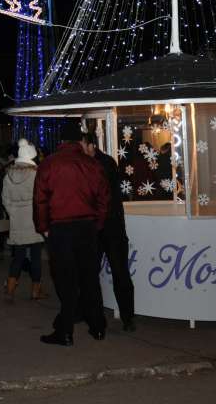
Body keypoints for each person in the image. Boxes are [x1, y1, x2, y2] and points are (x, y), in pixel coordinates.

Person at [33, 125, 110, 347]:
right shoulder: (92, 164)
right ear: (79, 141)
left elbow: (40, 201)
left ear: (61, 141)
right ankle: (97, 327)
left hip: (60, 229)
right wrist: (97, 224)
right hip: (86, 227)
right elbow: (104, 199)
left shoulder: (49, 164)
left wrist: (44, 227)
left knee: (66, 282)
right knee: (90, 279)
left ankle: (65, 332)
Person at [80, 133, 135, 332]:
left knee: (120, 272)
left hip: (111, 227)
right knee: (90, 273)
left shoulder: (104, 164)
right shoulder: (91, 163)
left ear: (92, 145)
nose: (80, 148)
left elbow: (99, 196)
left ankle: (128, 317)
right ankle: (92, 315)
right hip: (97, 226)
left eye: (82, 144)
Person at [2, 139, 47, 302]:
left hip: (17, 220)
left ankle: (11, 288)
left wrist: (13, 213)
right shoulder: (36, 174)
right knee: (35, 255)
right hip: (34, 220)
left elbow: (5, 199)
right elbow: (42, 198)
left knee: (18, 256)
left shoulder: (8, 175)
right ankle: (36, 290)